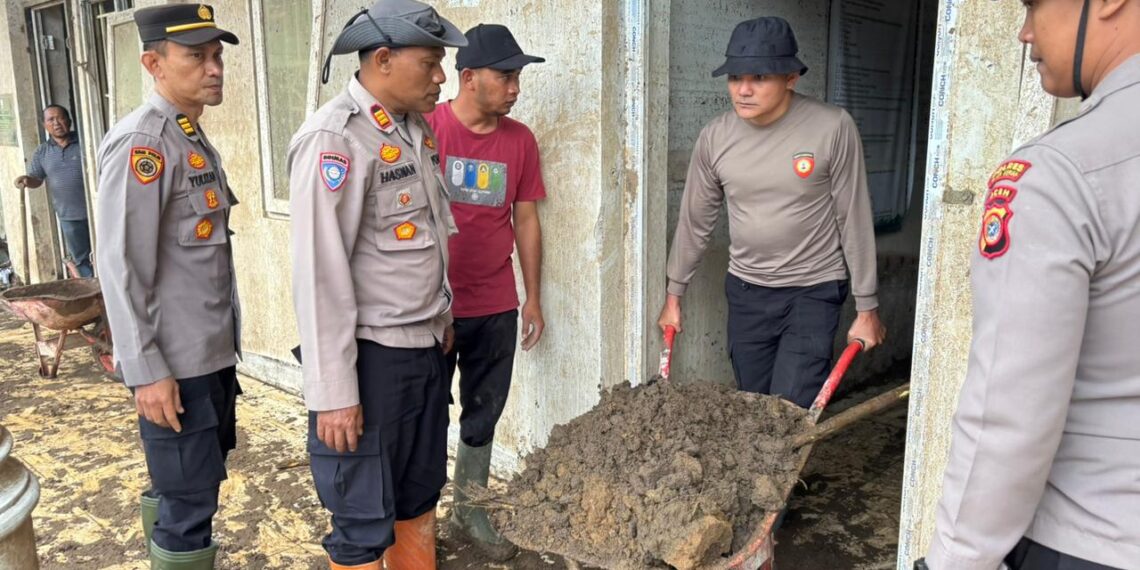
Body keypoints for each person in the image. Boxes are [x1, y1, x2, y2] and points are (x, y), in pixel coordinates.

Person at [917, 1, 1140, 569]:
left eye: (1034, 6)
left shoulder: (1065, 173)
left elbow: (1007, 413)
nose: (1025, 33)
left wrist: (954, 560)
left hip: (1090, 538)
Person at [287, 1, 466, 568]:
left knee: (417, 498)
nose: (442, 76)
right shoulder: (335, 139)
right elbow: (320, 272)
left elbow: (426, 240)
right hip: (371, 363)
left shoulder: (412, 129)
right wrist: (335, 392)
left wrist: (442, 319)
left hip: (422, 352)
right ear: (383, 59)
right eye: (432, 62)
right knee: (363, 519)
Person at [657, 16, 886, 409]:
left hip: (812, 291)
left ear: (791, 77)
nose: (743, 90)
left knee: (789, 408)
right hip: (747, 292)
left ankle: (785, 471)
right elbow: (696, 222)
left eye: (759, 77)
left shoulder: (831, 128)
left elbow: (854, 218)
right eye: (734, 78)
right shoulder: (716, 137)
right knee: (751, 407)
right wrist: (674, 294)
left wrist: (868, 306)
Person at [94, 4, 241, 567]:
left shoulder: (186, 135)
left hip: (207, 354)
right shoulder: (145, 145)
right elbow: (121, 267)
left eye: (216, 55)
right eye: (196, 57)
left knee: (187, 488)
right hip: (174, 364)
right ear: (152, 62)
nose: (214, 68)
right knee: (187, 504)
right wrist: (147, 371)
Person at [423, 23, 546, 560]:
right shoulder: (425, 130)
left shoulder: (519, 141)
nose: (516, 87)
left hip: (495, 304)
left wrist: (532, 297)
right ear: (468, 78)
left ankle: (470, 510)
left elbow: (526, 220)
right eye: (506, 75)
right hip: (429, 308)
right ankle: (417, 521)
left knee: (484, 411)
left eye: (518, 76)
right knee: (424, 414)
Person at [15, 105, 93, 277]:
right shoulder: (42, 152)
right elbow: (37, 178)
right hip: (69, 216)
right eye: (51, 120)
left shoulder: (87, 142)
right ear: (45, 125)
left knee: (106, 253)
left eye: (60, 118)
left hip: (96, 211)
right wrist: (28, 180)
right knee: (81, 259)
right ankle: (95, 295)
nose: (56, 123)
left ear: (69, 121)